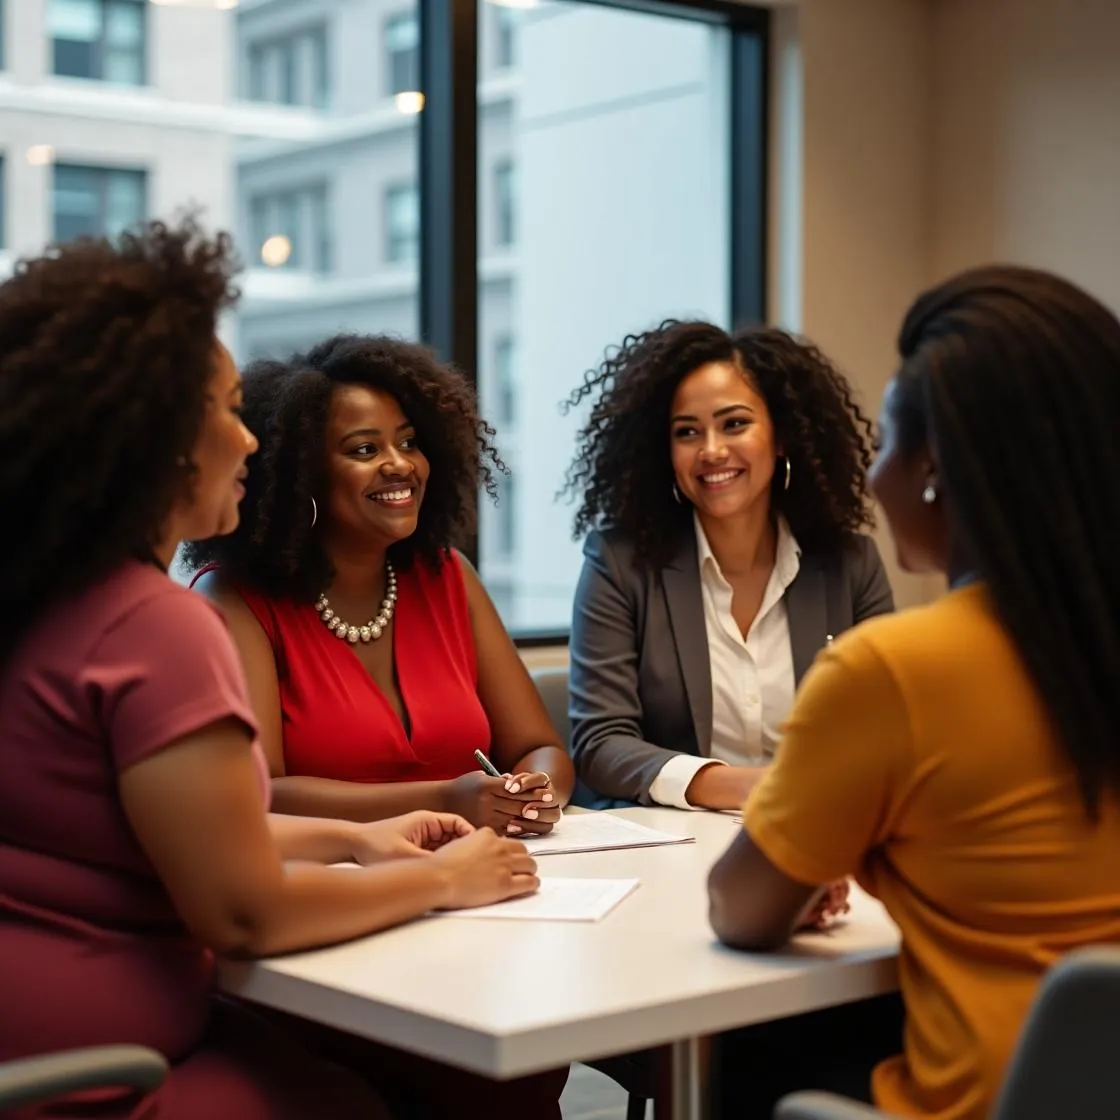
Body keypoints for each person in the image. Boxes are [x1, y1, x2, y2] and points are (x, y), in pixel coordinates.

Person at [0, 219, 539, 1120]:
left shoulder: (50, 600)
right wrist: (446, 878)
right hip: (100, 1078)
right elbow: (244, 913)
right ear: (158, 439)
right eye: (222, 411)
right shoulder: (161, 626)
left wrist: (360, 839)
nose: (249, 441)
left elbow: (156, 838)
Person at [709, 265, 1120, 1120]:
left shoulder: (892, 671)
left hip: (988, 1103)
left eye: (888, 444)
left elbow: (739, 909)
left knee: (755, 1054)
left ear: (934, 468)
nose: (872, 477)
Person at [183, 333, 574, 1114]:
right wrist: (445, 799)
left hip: (473, 910)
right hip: (330, 934)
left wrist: (535, 788)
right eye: (365, 449)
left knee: (525, 1066)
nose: (400, 465)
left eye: (407, 442)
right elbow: (257, 795)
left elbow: (538, 744)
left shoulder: (445, 577)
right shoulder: (231, 601)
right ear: (301, 476)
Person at [563, 320, 894, 811]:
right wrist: (745, 787)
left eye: (734, 423)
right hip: (673, 840)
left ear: (781, 436)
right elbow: (601, 743)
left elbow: (889, 722)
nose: (712, 450)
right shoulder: (619, 563)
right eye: (687, 432)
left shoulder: (849, 564)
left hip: (821, 829)